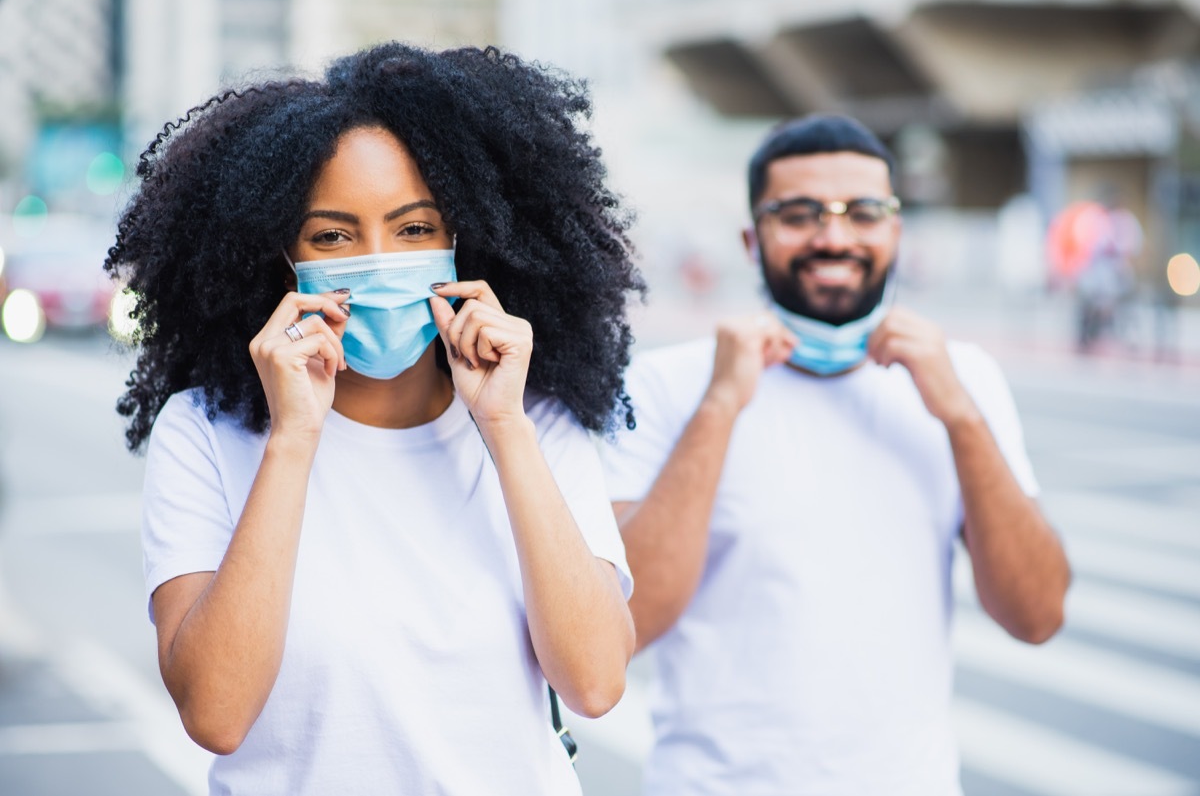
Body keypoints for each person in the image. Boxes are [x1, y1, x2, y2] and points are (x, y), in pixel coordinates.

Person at [104, 42, 642, 796]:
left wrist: (505, 428)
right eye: (333, 236)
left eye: (415, 229)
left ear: (466, 239)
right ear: (280, 255)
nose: (380, 260)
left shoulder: (537, 422)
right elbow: (217, 712)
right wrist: (293, 436)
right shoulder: (205, 432)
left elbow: (594, 682)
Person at [602, 114, 1071, 795]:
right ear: (750, 238)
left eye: (864, 212)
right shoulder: (665, 384)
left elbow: (1037, 613)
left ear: (896, 231)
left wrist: (960, 414)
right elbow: (624, 625)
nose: (833, 236)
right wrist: (720, 405)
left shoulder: (961, 378)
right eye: (798, 213)